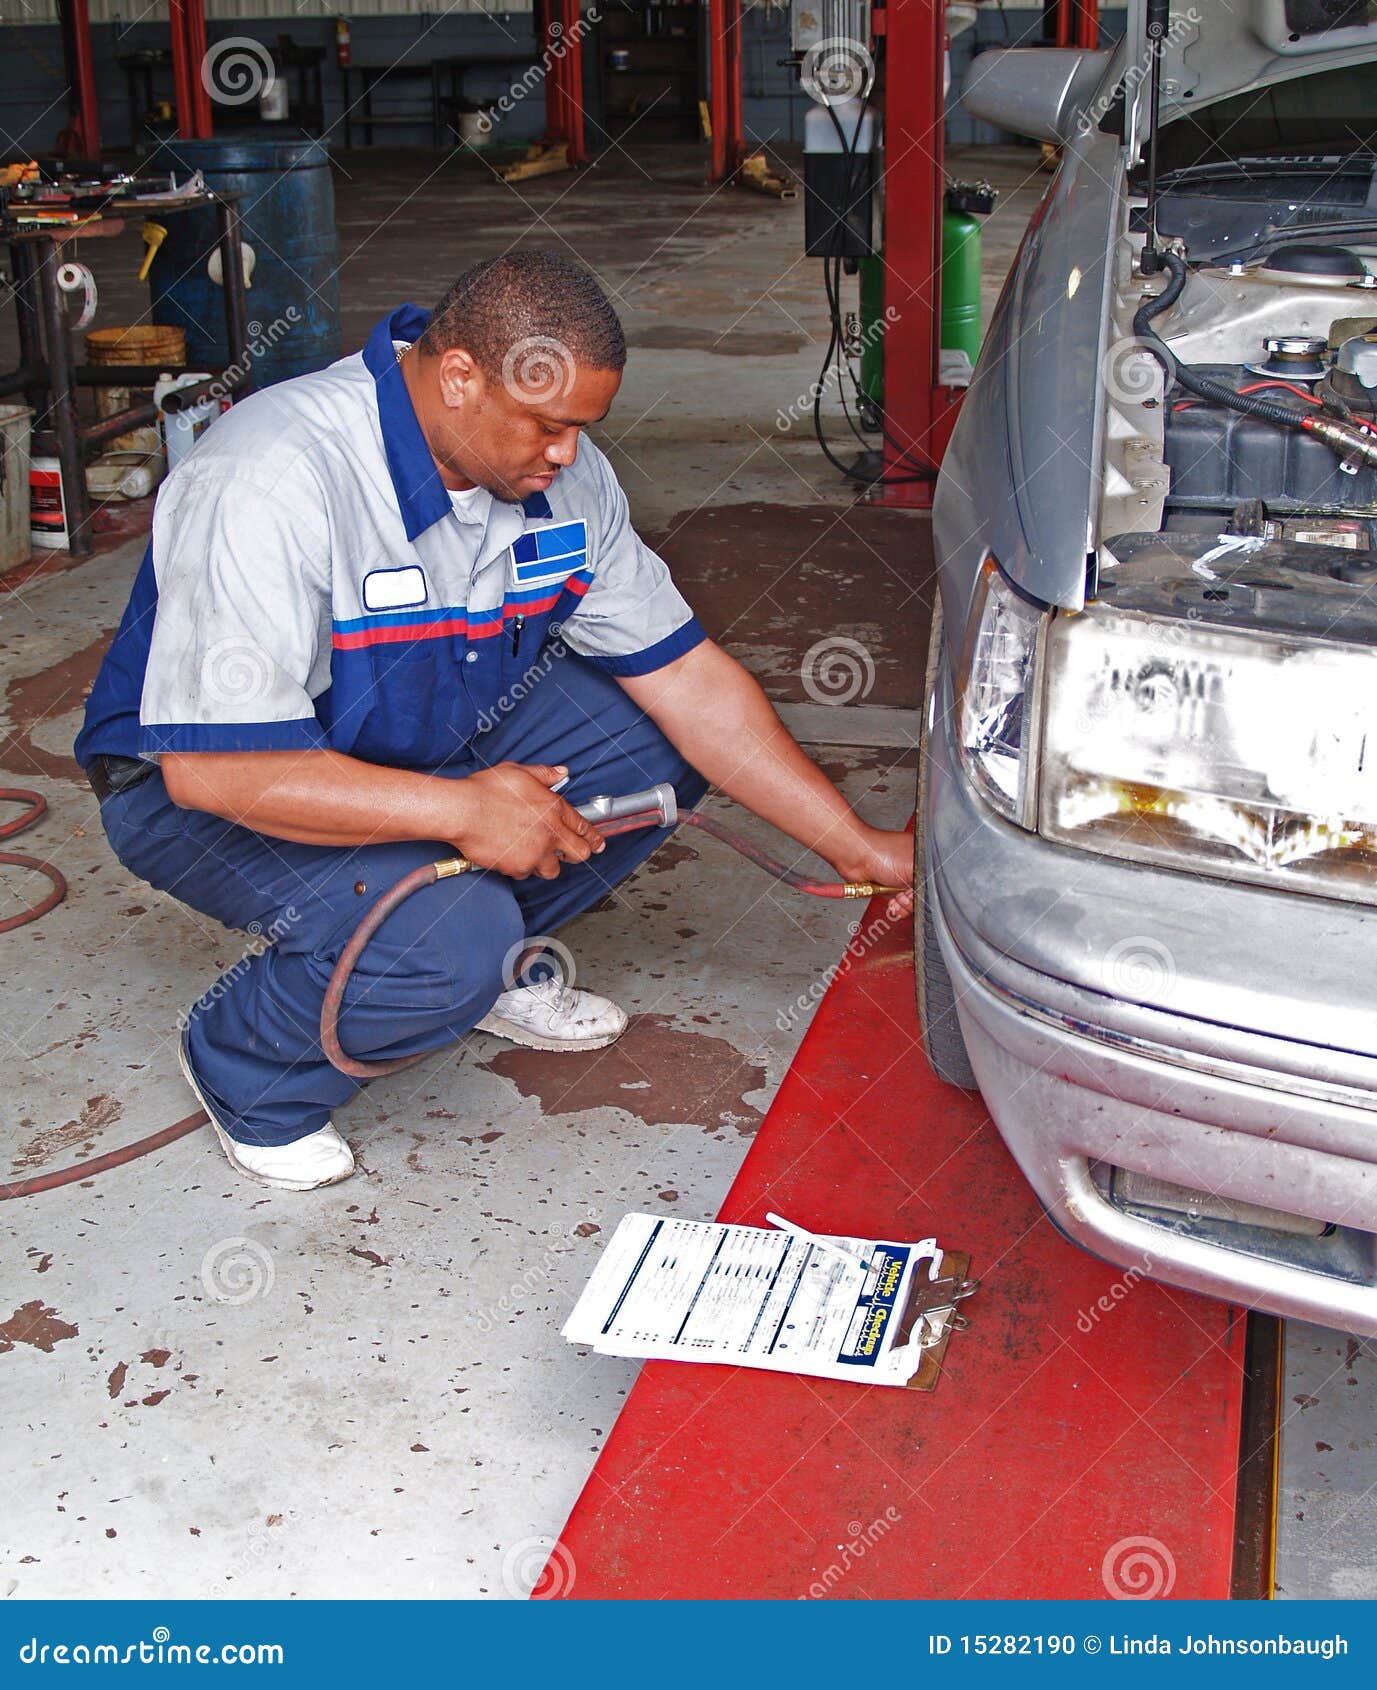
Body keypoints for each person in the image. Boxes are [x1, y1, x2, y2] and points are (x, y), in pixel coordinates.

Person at [75, 251, 913, 1192]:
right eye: (548, 425)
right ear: (461, 376)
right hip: (196, 788)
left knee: (645, 748)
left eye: (582, 428)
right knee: (440, 942)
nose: (566, 454)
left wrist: (854, 843)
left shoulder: (563, 477)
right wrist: (465, 812)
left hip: (409, 734)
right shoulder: (272, 478)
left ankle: (491, 951)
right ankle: (248, 1063)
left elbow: (688, 677)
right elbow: (217, 775)